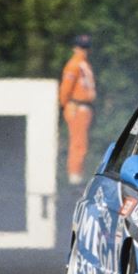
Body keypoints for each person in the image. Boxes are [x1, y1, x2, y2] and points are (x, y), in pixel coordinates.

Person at [59, 33, 96, 185]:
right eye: (81, 48)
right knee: (78, 143)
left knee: (82, 143)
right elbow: (65, 89)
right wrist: (65, 105)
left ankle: (78, 174)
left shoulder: (84, 64)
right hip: (76, 106)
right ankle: (74, 176)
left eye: (86, 48)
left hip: (85, 107)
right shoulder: (74, 65)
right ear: (75, 48)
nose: (84, 51)